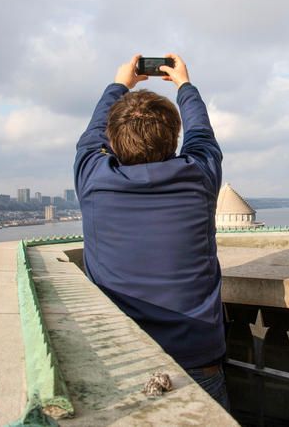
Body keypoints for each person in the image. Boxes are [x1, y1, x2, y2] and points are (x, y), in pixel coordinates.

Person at [74, 54, 228, 409]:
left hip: (119, 359)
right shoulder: (198, 177)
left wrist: (119, 85)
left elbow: (89, 139)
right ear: (173, 139)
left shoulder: (93, 180)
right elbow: (202, 135)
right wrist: (184, 86)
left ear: (112, 141)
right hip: (197, 355)